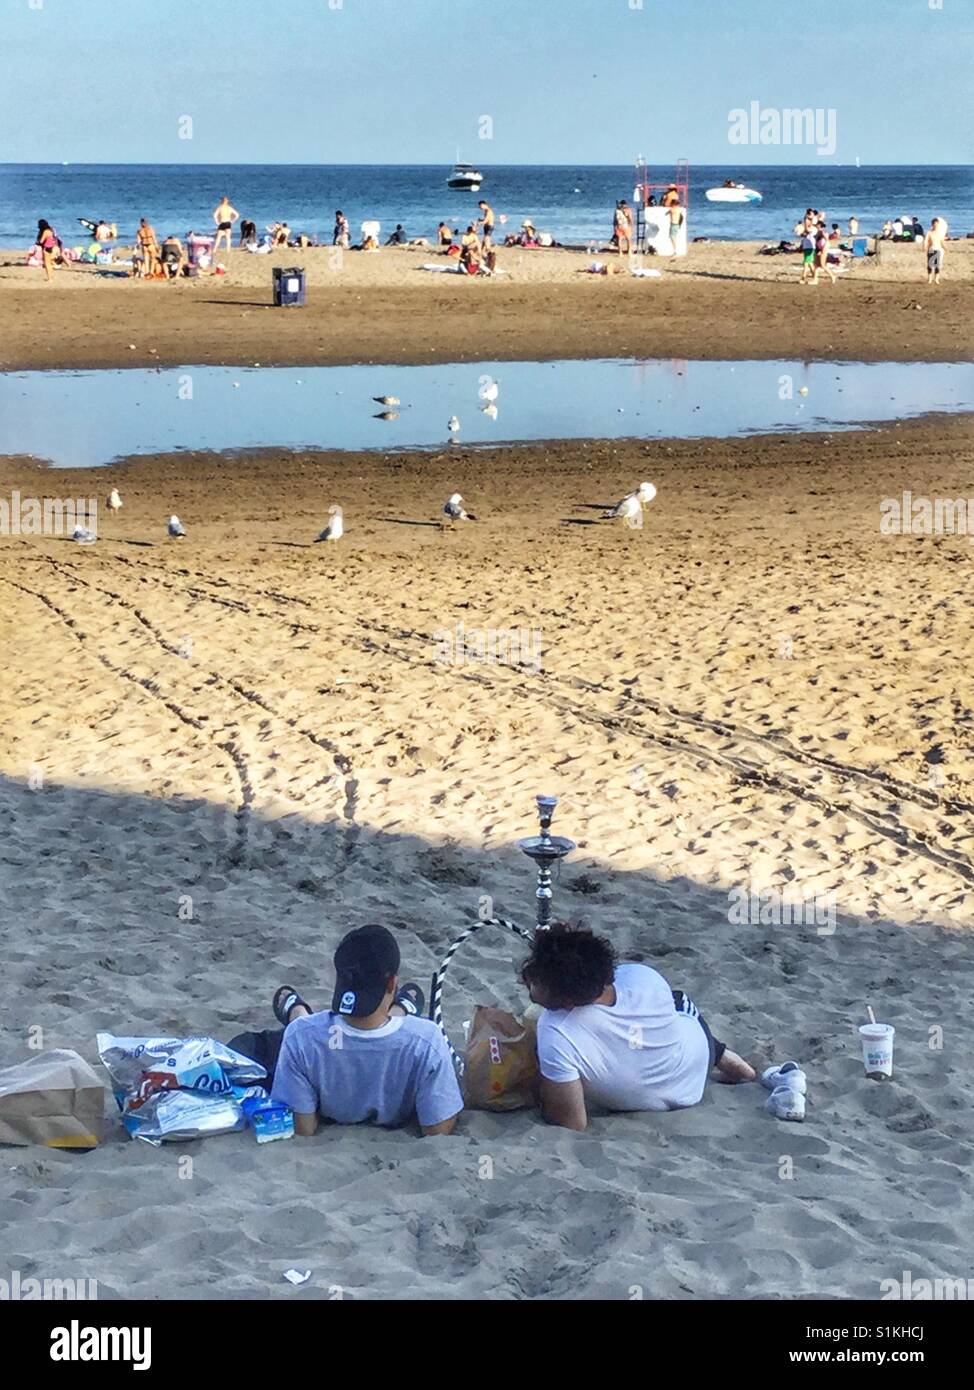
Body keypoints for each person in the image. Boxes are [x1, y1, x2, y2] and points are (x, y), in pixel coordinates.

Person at [521, 923, 755, 1132]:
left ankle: (729, 1059)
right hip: (697, 1064)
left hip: (650, 1100)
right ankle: (735, 1065)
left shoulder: (554, 1030)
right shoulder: (642, 976)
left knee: (671, 1006)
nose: (531, 984)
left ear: (566, 1000)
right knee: (674, 1004)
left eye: (537, 981)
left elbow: (573, 1122)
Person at [231, 925, 463, 1137]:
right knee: (397, 1031)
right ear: (392, 983)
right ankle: (401, 1009)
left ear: (339, 978)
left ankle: (297, 1011)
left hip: (317, 1039)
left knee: (299, 1029)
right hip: (401, 1042)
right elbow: (438, 1129)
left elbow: (303, 1127)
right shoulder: (427, 1040)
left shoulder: (300, 1038)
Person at [811, 219, 836, 285]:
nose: (816, 226)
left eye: (817, 225)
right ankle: (815, 280)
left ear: (819, 225)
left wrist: (823, 250)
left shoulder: (822, 232)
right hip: (818, 249)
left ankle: (833, 276)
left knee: (823, 265)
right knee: (816, 265)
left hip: (822, 250)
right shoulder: (818, 232)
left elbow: (827, 241)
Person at [924, 216, 948, 284]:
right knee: (930, 265)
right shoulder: (929, 232)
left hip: (938, 249)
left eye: (937, 224)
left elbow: (942, 241)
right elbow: (926, 240)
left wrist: (946, 248)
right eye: (934, 224)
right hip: (931, 249)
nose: (936, 225)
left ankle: (936, 279)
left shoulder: (940, 233)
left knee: (938, 265)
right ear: (932, 225)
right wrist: (925, 246)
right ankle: (929, 279)